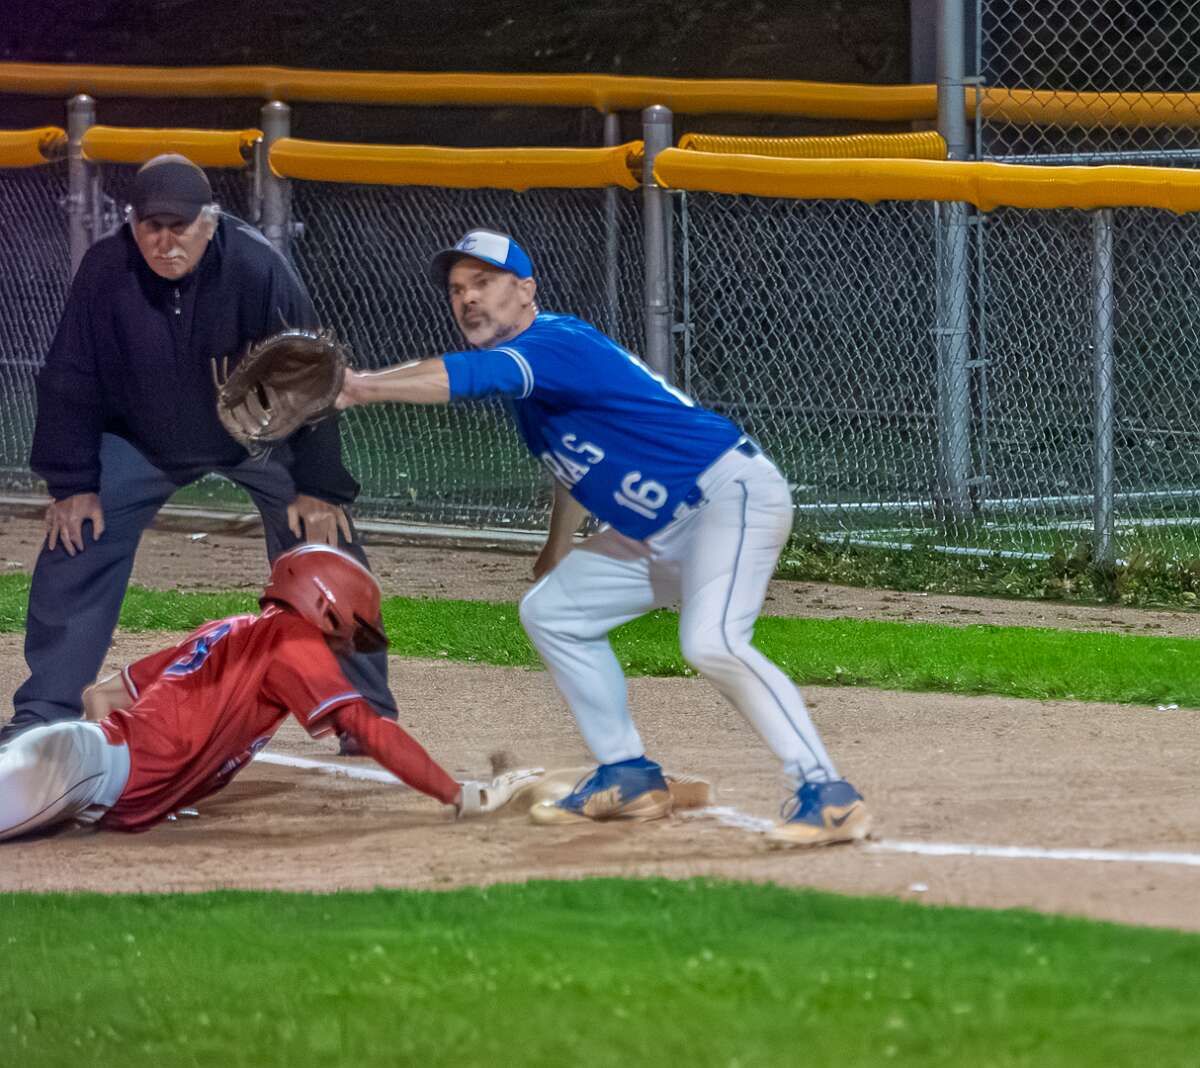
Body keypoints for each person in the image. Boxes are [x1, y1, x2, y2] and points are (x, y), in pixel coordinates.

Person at [334, 228, 871, 846]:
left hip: (725, 496)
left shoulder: (554, 342)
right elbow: (575, 469)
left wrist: (360, 386)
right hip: (660, 527)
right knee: (554, 612)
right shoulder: (536, 381)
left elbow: (473, 375)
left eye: (483, 282)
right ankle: (629, 776)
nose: (468, 298)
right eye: (457, 289)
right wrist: (558, 545)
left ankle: (828, 794)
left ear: (526, 290)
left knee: (713, 641)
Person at [1, 153, 395, 754]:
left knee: (328, 548)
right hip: (141, 439)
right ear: (131, 223)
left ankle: (365, 712)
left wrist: (319, 486)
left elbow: (313, 376)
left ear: (209, 222)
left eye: (180, 225)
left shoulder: (256, 265)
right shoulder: (106, 269)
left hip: (255, 440)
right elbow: (70, 376)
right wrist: (72, 483)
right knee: (75, 536)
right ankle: (43, 714)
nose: (166, 241)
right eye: (151, 225)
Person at [0, 544, 538, 841]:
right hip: (78, 766)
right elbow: (367, 727)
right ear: (326, 606)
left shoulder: (230, 629)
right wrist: (460, 794)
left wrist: (135, 793)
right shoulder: (293, 641)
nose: (347, 645)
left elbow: (103, 698)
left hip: (83, 762)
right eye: (350, 629)